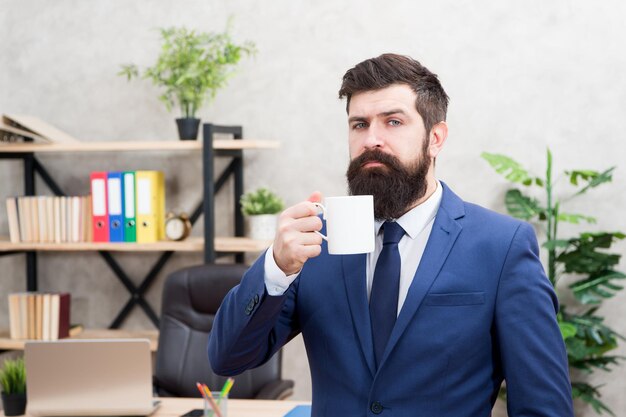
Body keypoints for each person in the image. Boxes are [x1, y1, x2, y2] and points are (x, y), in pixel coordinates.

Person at [208, 53, 574, 417]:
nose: (372, 139)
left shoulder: (501, 247)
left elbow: (544, 407)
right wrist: (276, 267)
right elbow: (228, 357)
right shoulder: (315, 243)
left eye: (393, 122)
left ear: (436, 138)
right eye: (359, 124)